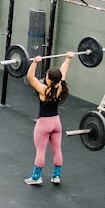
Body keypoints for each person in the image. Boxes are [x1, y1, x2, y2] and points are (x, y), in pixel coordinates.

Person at [24, 52, 72, 186]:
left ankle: (36, 177)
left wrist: (35, 62)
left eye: (46, 76)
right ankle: (57, 176)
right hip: (56, 122)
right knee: (57, 150)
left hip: (44, 123)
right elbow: (63, 71)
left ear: (49, 79)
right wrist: (68, 58)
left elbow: (30, 77)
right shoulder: (61, 86)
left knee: (40, 151)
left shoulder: (44, 90)